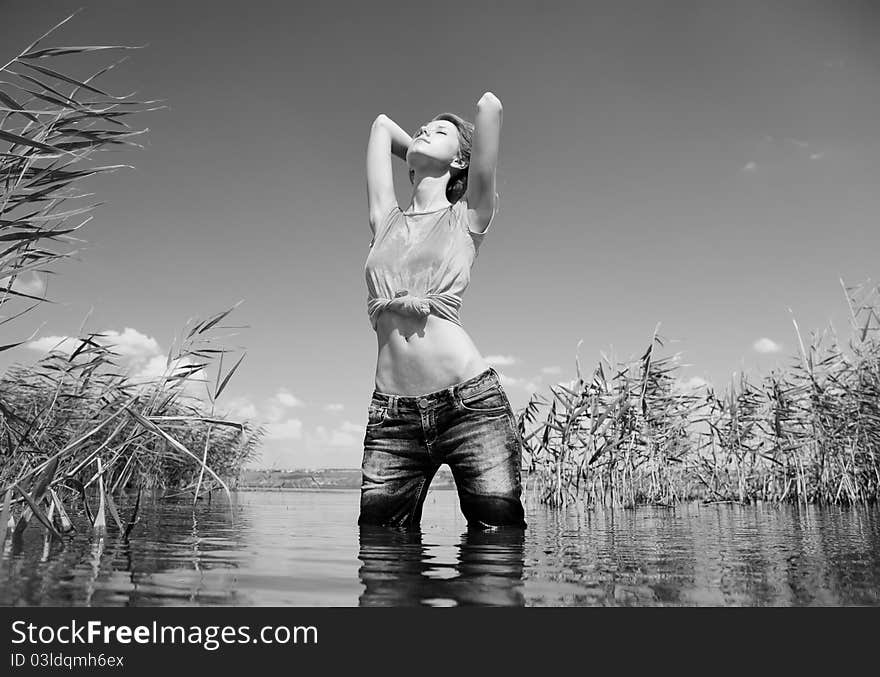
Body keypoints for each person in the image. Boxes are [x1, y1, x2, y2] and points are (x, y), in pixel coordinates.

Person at [360, 92, 527, 531]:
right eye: (420, 129)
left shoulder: (470, 214)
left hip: (470, 407)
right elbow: (381, 123)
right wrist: (417, 152)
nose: (421, 131)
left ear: (460, 162)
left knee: (497, 549)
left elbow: (491, 108)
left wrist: (438, 152)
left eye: (439, 131)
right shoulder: (385, 219)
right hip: (391, 418)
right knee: (380, 559)